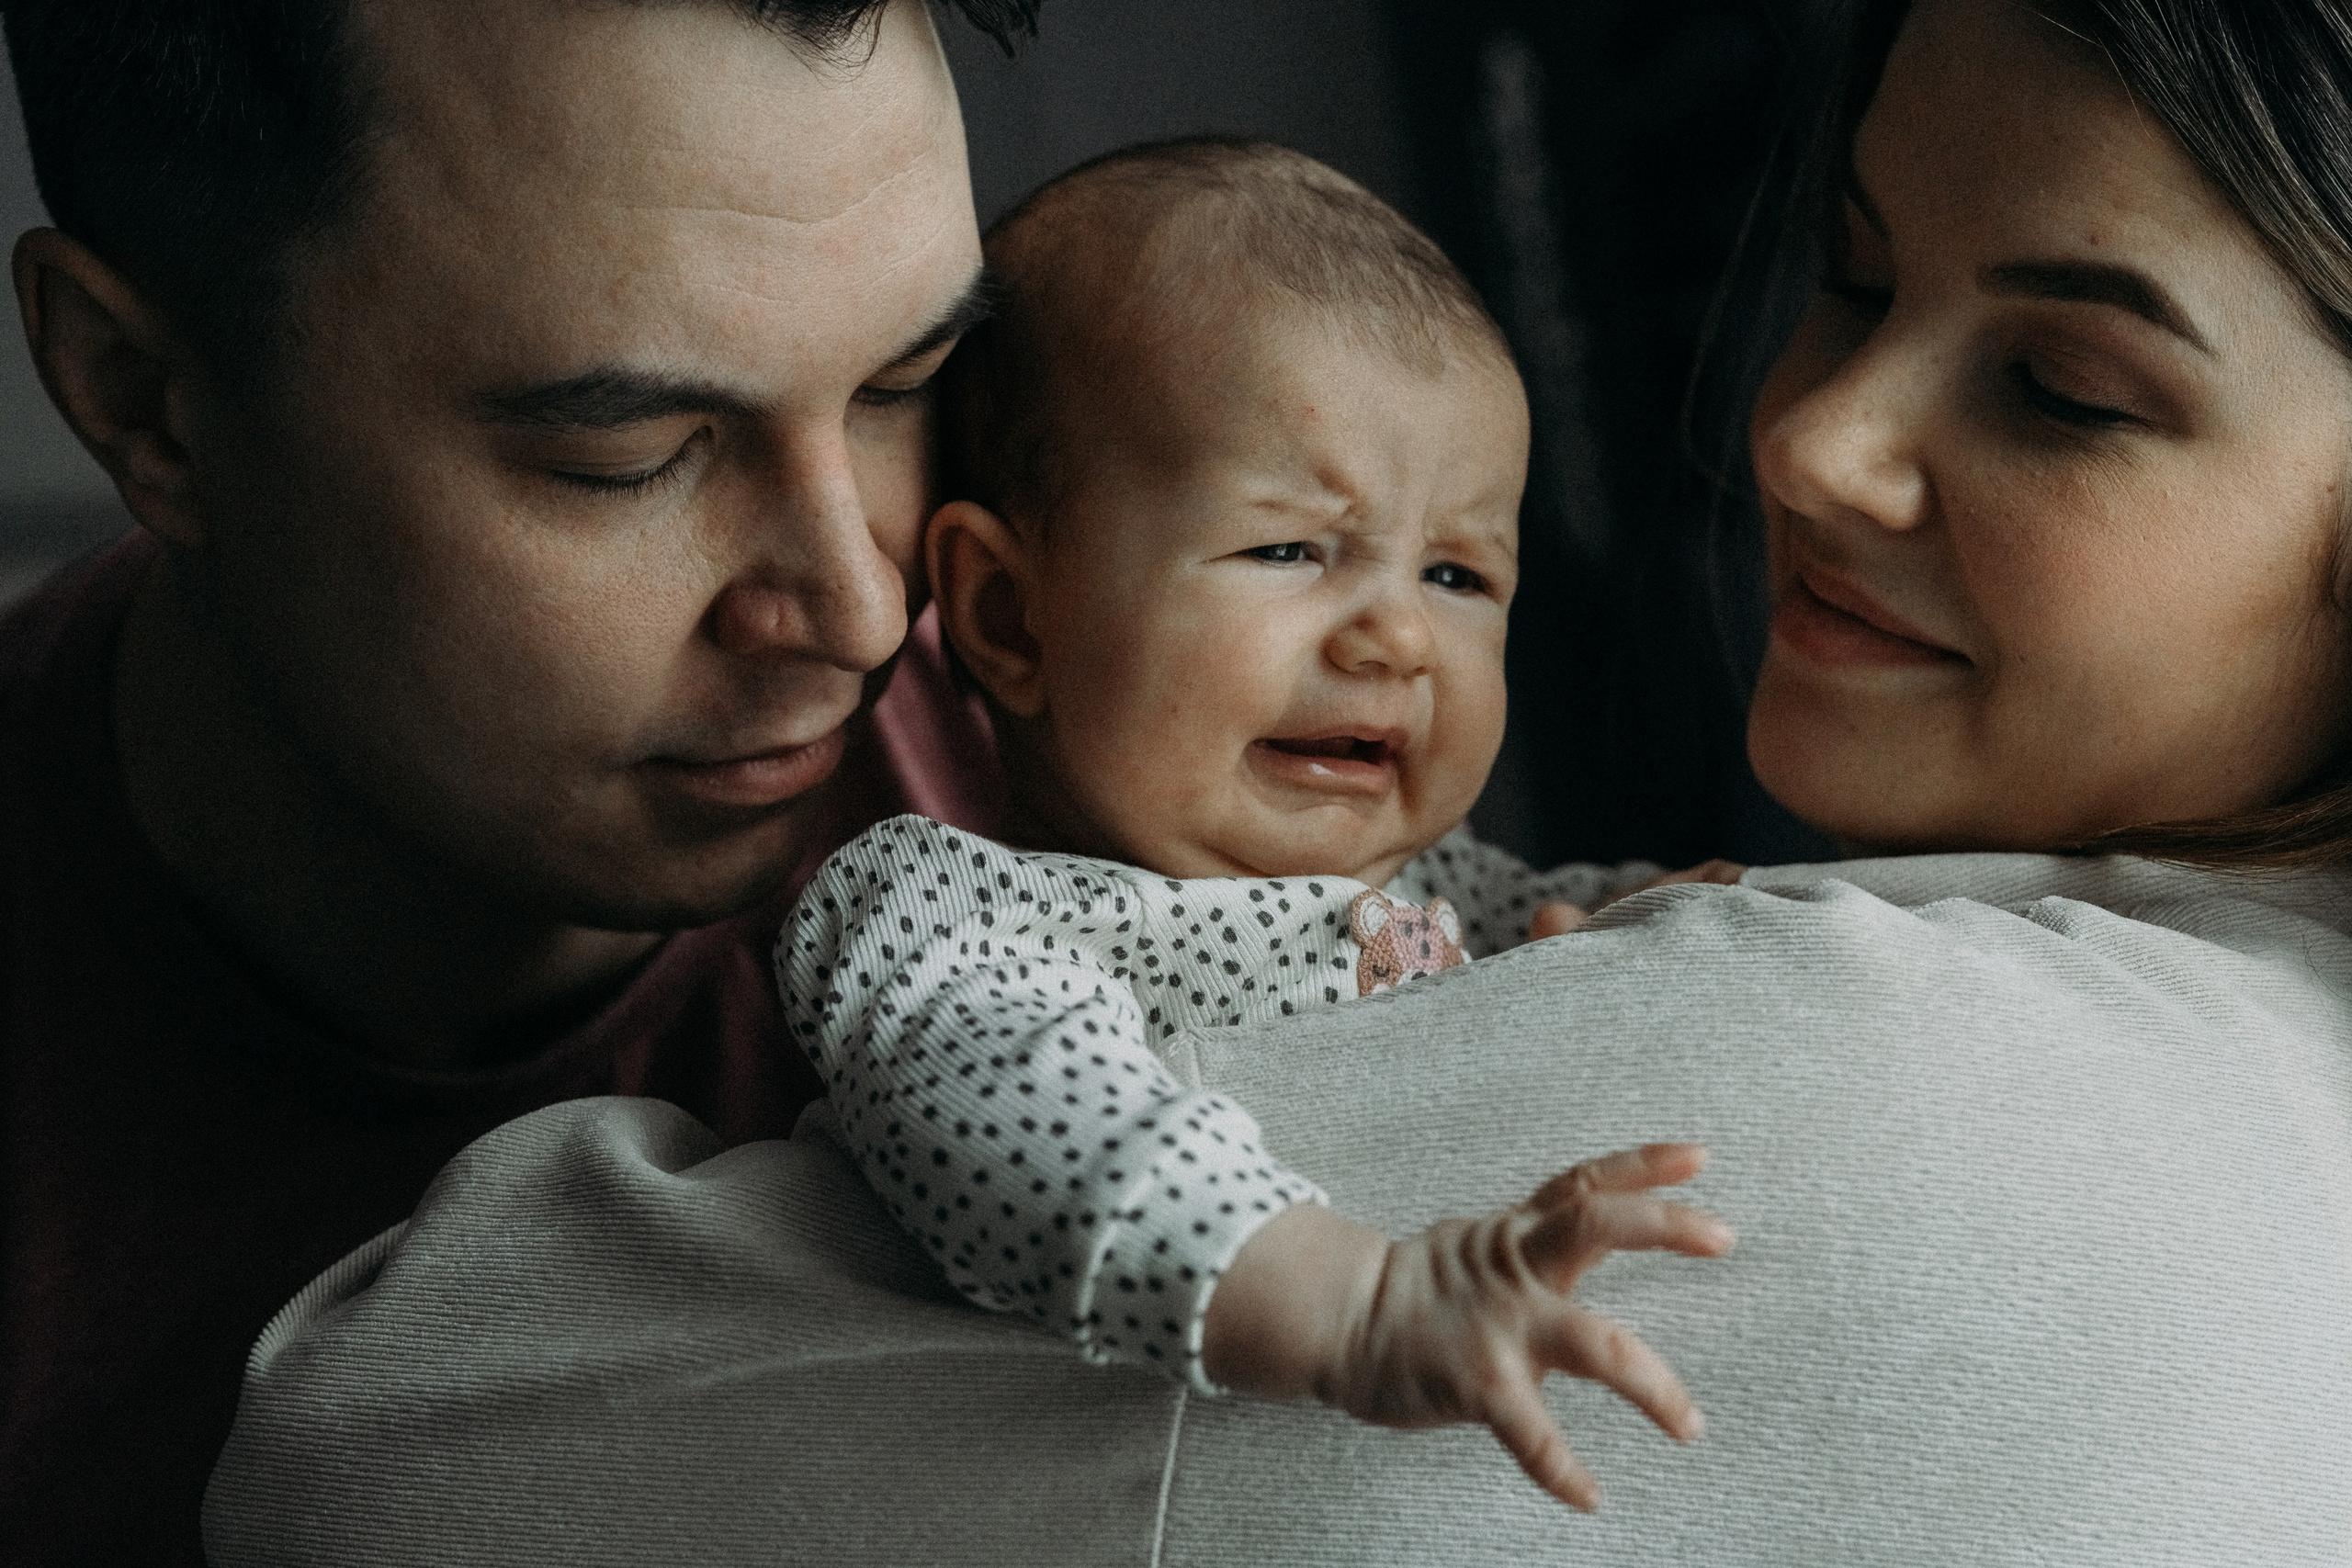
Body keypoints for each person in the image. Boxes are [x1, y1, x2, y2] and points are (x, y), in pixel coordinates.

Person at [199, 0, 2352, 1562]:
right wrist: (1327, 1285)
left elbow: (378, 1454)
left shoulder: (1895, 1061)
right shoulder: (948, 905)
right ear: (1012, 610)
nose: (1795, 446)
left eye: (2069, 386)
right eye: (1849, 275)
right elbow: (1007, 1096)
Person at [0, 0, 1038, 1560]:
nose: (861, 610)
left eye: (909, 384)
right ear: (147, 401)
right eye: (630, 459)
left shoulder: (1132, 726)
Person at [785, 138, 1744, 1511]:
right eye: (1291, 549)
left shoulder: (1460, 895)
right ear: (1007, 615)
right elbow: (1017, 1127)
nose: (1400, 635)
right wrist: (1356, 1305)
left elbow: (1573, 911)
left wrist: (1683, 924)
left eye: (1461, 571)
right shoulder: (947, 915)